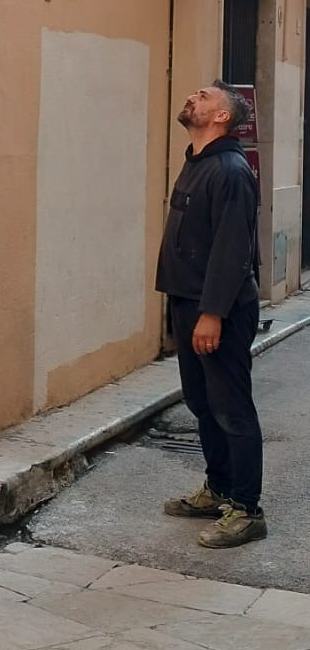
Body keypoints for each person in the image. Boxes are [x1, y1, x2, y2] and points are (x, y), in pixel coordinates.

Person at [156, 80, 265, 549]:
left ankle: (247, 509)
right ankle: (218, 488)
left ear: (222, 117)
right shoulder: (197, 162)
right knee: (203, 405)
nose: (193, 99)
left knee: (231, 408)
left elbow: (232, 251)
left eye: (204, 97)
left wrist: (212, 314)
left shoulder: (231, 170)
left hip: (217, 309)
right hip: (188, 303)